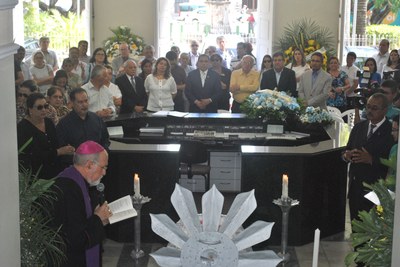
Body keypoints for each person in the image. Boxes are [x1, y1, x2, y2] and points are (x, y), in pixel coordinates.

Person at [50, 141, 112, 267]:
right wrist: (98, 219)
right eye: (103, 167)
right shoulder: (69, 190)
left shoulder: (75, 180)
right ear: (89, 165)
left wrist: (100, 220)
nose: (104, 173)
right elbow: (76, 239)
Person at [342, 93, 394, 223]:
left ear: (385, 110)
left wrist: (371, 159)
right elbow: (347, 148)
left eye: (374, 108)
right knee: (356, 226)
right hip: (356, 187)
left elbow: (393, 163)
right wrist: (346, 155)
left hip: (376, 187)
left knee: (372, 229)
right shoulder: (360, 127)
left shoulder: (391, 131)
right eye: (368, 107)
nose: (369, 111)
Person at [17, 93, 74, 179]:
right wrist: (58, 152)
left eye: (46, 106)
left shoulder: (48, 122)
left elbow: (55, 143)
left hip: (55, 170)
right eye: (40, 107)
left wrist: (66, 148)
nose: (44, 110)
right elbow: (32, 156)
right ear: (30, 109)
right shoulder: (22, 128)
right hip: (36, 176)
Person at [56, 88, 110, 153]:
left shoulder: (96, 118)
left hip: (98, 158)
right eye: (80, 102)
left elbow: (105, 140)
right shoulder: (63, 124)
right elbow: (62, 148)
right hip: (76, 160)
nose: (84, 105)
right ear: (72, 103)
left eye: (86, 101)